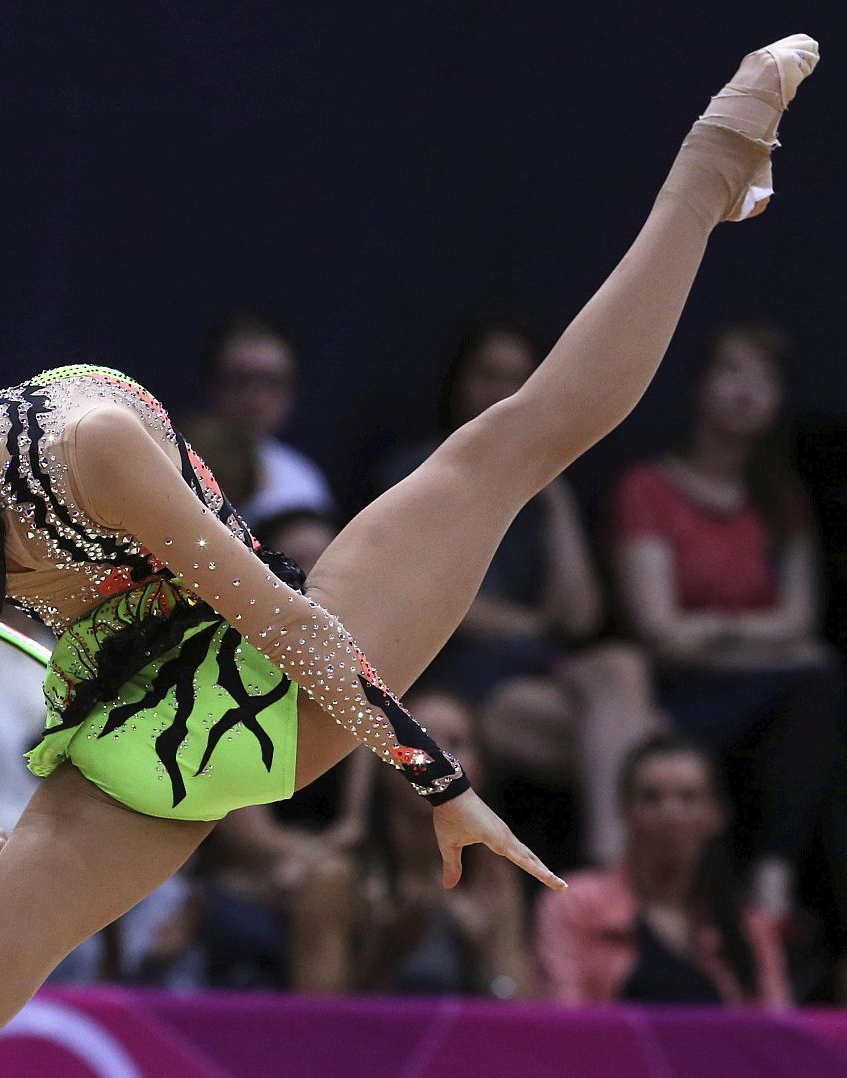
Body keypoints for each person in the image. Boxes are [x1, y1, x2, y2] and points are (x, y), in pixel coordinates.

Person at [0, 38, 816, 1064]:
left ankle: (717, 171)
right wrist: (437, 779)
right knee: (516, 441)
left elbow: (262, 603)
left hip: (150, 714)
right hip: (258, 698)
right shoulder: (83, 452)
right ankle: (711, 165)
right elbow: (279, 616)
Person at [377, 318, 660, 865]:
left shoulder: (542, 484)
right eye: (488, 375)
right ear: (459, 385)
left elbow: (578, 619)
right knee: (644, 738)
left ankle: (609, 862)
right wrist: (533, 627)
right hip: (457, 677)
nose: (502, 392)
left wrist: (556, 502)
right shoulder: (419, 471)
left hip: (539, 669)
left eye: (518, 378)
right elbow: (432, 601)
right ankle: (622, 870)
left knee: (622, 669)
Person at [612, 323, 842, 915]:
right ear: (700, 386)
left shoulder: (781, 499)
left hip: (753, 695)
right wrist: (761, 636)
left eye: (764, 378)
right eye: (732, 372)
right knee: (808, 674)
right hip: (675, 693)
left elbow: (802, 620)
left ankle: (773, 888)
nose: (747, 390)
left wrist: (714, 631)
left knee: (820, 685)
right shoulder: (650, 488)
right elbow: (659, 631)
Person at [534, 735, 790, 1007]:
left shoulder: (750, 927)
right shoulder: (573, 904)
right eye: (651, 798)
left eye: (688, 798)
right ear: (624, 811)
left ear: (717, 815)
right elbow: (562, 1024)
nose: (670, 814)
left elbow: (775, 1036)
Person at [304, 692, 529, 996]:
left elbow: (521, 1017)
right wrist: (386, 956)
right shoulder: (337, 880)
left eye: (456, 743)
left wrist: (487, 953)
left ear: (482, 772)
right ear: (382, 767)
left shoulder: (489, 879)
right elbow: (311, 1023)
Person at [199, 309, 336, 523]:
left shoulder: (302, 483)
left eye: (271, 382)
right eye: (240, 380)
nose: (255, 399)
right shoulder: (170, 462)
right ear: (211, 385)